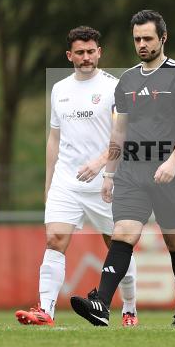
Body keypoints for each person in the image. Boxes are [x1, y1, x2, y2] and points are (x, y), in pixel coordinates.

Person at [70, 10, 175, 327]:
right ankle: (101, 304)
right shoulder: (127, 80)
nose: (142, 44)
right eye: (137, 39)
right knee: (123, 233)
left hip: (169, 170)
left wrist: (173, 161)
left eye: (148, 38)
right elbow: (119, 131)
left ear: (163, 38)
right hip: (131, 171)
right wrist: (110, 173)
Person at [14, 26, 138, 328]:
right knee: (55, 239)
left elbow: (124, 134)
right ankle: (46, 310)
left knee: (117, 244)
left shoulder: (114, 87)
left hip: (106, 180)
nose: (86, 57)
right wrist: (49, 183)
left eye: (91, 51)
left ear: (100, 52)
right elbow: (54, 139)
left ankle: (130, 309)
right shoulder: (60, 90)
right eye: (79, 52)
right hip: (66, 181)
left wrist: (100, 163)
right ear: (69, 55)